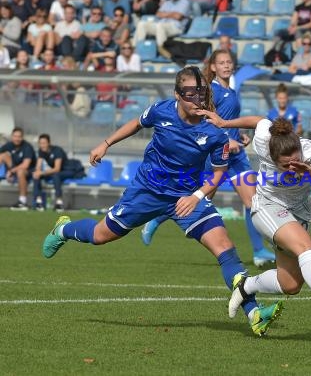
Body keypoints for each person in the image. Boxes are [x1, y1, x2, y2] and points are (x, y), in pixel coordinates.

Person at [41, 66, 283, 336]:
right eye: (190, 93)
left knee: (224, 247)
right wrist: (105, 143)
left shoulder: (215, 133)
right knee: (100, 235)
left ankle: (254, 313)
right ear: (177, 94)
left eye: (201, 92)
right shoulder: (162, 110)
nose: (197, 98)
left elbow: (217, 173)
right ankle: (62, 229)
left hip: (185, 197)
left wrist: (197, 196)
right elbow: (136, 123)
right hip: (146, 191)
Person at [200, 112, 311, 324]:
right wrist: (224, 123)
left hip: (298, 212)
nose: (293, 166)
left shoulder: (307, 148)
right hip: (267, 207)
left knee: (290, 284)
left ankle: (246, 286)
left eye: (296, 161)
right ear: (273, 157)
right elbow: (258, 121)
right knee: (305, 246)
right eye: (286, 165)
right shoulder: (265, 140)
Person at [141, 50, 276, 267]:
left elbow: (223, 119)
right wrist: (225, 139)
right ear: (212, 67)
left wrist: (237, 134)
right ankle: (157, 218)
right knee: (200, 199)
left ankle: (259, 251)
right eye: (221, 62)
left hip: (236, 156)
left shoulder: (230, 90)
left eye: (229, 62)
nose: (226, 66)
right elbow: (202, 119)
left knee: (252, 201)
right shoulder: (209, 90)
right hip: (216, 154)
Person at [32, 133, 85, 212]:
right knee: (36, 175)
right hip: (58, 173)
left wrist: (42, 173)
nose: (42, 145)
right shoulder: (41, 151)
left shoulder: (57, 150)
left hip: (69, 170)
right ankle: (38, 202)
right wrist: (37, 172)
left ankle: (59, 203)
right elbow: (38, 166)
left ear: (49, 143)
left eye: (44, 143)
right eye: (40, 143)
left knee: (55, 175)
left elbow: (57, 168)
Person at [0, 127, 37, 210]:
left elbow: (25, 165)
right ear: (12, 136)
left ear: (22, 137)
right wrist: (7, 172)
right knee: (2, 156)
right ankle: (8, 175)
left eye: (19, 136)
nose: (17, 138)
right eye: (15, 136)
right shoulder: (9, 145)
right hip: (14, 170)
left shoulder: (27, 147)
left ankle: (22, 202)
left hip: (28, 172)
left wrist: (11, 171)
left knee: (20, 171)